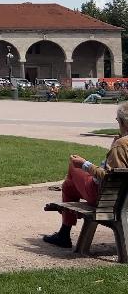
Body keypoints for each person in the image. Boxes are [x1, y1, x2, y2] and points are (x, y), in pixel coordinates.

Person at [44, 101, 128, 248]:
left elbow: (111, 178)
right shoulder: (120, 143)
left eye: (118, 120)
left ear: (123, 122)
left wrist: (85, 164)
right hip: (123, 200)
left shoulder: (121, 145)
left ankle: (64, 233)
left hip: (109, 200)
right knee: (69, 186)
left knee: (73, 168)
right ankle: (63, 232)